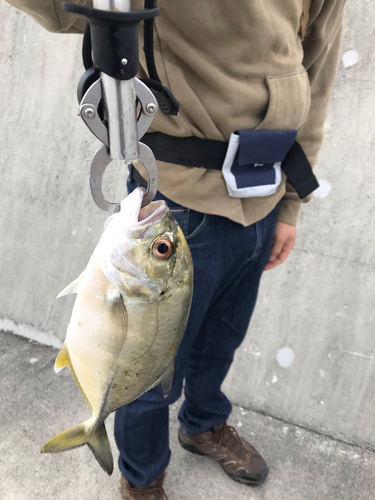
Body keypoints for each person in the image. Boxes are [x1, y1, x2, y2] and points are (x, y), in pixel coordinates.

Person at [6, 0, 347, 498]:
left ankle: (203, 422)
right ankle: (143, 478)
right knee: (146, 368)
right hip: (177, 204)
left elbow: (317, 76)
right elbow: (61, 10)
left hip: (267, 196)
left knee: (221, 339)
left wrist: (292, 204)